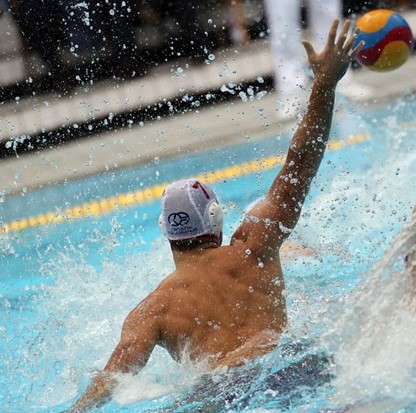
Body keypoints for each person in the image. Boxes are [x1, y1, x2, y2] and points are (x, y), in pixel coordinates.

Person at [67, 19, 363, 412]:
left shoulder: (153, 309)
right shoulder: (254, 247)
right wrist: (324, 84)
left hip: (227, 396)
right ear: (216, 219)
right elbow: (301, 162)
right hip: (293, 370)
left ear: (167, 233)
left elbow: (110, 381)